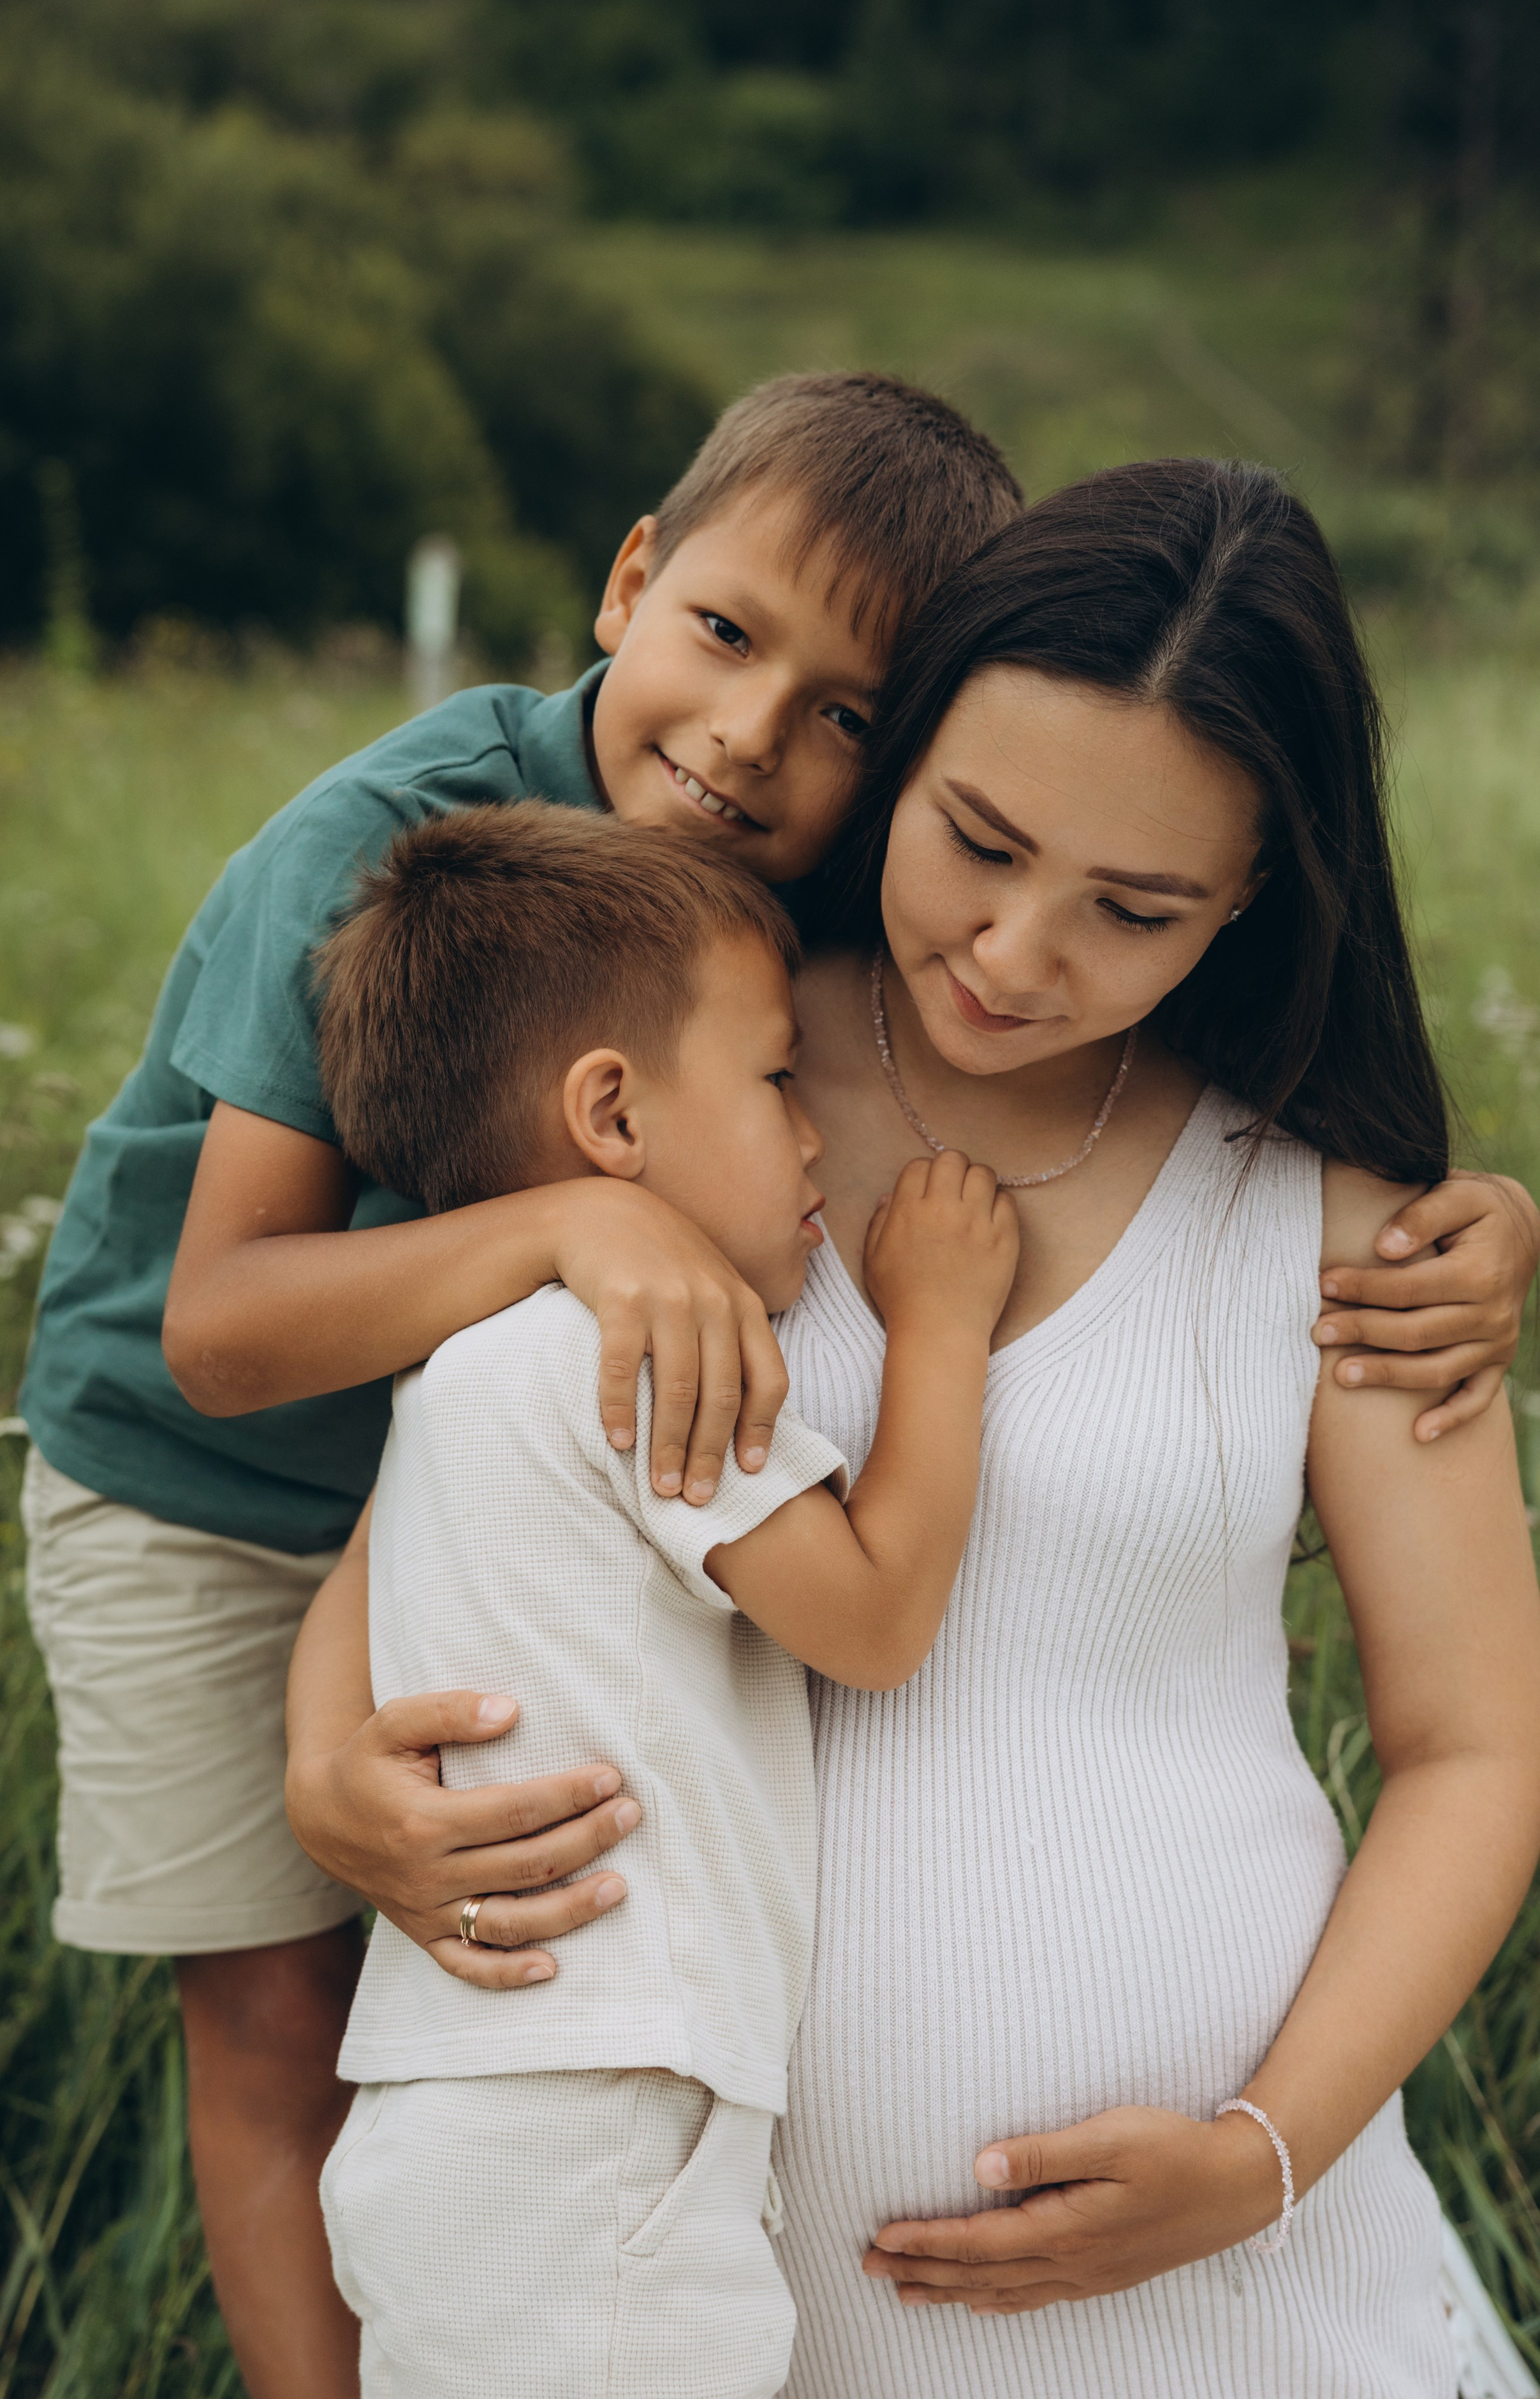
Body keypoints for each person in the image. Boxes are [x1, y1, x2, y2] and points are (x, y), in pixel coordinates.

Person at [289, 459, 1540, 2396]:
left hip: (1247, 2286)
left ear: (1250, 903)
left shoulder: (1345, 1221)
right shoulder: (686, 1090)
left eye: (1136, 910)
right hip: (708, 2296)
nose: (1016, 951)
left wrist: (1261, 2155)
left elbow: (1476, 1741)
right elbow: (443, 1494)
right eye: (976, 839)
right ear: (909, 750)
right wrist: (325, 1775)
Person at [15, 371, 1025, 2396]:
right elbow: (220, 1328)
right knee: (285, 2014)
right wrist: (575, 1227)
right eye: (726, 635)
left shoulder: (793, 883)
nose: (749, 739)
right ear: (629, 579)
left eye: (846, 715)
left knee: (498, 1965)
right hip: (199, 1478)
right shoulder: (391, 843)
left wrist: (1452, 1217)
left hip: (491, 1467)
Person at [309, 802, 1016, 2396]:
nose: (817, 1131)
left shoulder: (460, 1372)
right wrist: (945, 1327)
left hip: (476, 2115)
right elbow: (879, 1618)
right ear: (611, 1118)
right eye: (776, 1081)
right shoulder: (636, 1352)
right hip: (595, 2126)